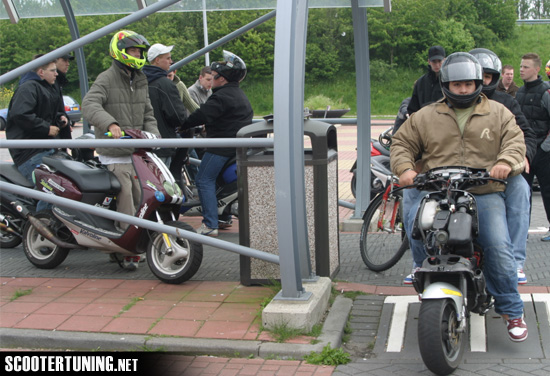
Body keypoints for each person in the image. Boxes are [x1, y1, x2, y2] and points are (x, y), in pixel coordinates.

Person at [391, 52, 528, 342]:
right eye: (457, 85)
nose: (463, 89)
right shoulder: (426, 115)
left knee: (498, 245)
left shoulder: (499, 113)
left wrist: (504, 163)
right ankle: (422, 271)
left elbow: (515, 142)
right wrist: (404, 168)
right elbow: (401, 142)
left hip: (483, 191)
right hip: (437, 189)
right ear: (446, 85)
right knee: (418, 225)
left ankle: (511, 309)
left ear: (478, 82)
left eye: (468, 83)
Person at [82, 30, 159, 236]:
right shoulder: (106, 78)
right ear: (120, 51)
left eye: (139, 52)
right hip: (115, 153)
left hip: (137, 154)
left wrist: (155, 135)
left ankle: (139, 240)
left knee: (143, 198)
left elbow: (148, 113)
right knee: (126, 200)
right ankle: (125, 246)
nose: (137, 55)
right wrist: (110, 124)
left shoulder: (141, 79)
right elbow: (89, 104)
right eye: (133, 50)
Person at [469, 48, 536, 284]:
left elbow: (526, 135)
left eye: (488, 77)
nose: (482, 82)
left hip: (502, 171)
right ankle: (424, 262)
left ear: (494, 78)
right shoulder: (450, 102)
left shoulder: (506, 102)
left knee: (520, 190)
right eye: (478, 76)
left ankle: (516, 262)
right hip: (462, 172)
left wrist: (523, 156)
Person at [179, 51, 253, 237]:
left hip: (221, 147)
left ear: (223, 78)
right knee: (215, 181)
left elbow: (201, 114)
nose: (211, 80)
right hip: (237, 146)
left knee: (204, 179)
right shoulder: (238, 94)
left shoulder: (221, 97)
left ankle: (210, 224)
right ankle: (223, 216)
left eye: (214, 77)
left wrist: (182, 124)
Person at [6, 56, 69, 212]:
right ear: (41, 72)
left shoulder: (46, 87)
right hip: (30, 153)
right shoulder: (29, 88)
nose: (56, 74)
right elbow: (20, 114)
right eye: (53, 70)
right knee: (52, 188)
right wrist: (46, 128)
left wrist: (59, 118)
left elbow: (41, 112)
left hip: (45, 150)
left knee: (69, 184)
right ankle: (43, 225)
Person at [515, 53, 550, 242]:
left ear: (537, 69)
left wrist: (545, 148)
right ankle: (522, 230)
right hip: (525, 150)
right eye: (521, 66)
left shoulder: (546, 91)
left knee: (548, 191)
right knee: (522, 192)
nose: (521, 69)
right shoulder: (519, 93)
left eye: (526, 67)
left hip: (544, 151)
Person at [142, 43, 188, 167]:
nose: (171, 61)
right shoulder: (165, 85)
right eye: (167, 58)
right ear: (157, 60)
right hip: (163, 143)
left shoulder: (140, 81)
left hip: (142, 142)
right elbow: (178, 116)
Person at [407, 45, 446, 115]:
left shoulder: (449, 81)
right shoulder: (420, 82)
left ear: (444, 60)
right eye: (434, 61)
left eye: (439, 61)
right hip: (424, 121)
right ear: (429, 61)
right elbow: (413, 108)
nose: (437, 65)